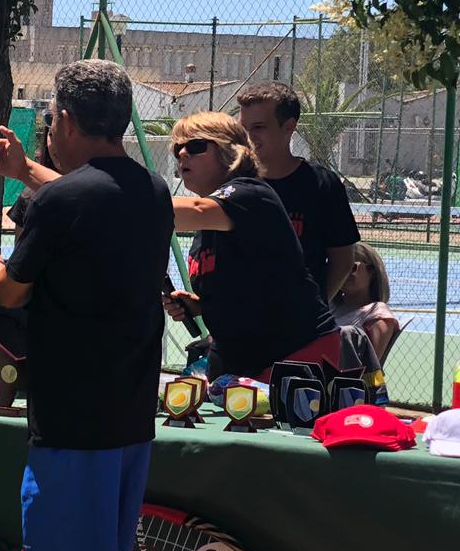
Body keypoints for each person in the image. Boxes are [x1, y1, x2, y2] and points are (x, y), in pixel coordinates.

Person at [0, 59, 174, 551]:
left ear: (64, 118)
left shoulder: (60, 203)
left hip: (71, 409)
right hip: (129, 405)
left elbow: (10, 290)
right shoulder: (152, 190)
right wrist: (26, 171)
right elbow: (87, 197)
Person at [162, 113, 340, 380]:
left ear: (229, 151)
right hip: (241, 361)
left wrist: (118, 195)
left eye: (196, 145)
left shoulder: (250, 194)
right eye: (178, 149)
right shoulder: (209, 226)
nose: (183, 154)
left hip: (295, 353)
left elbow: (192, 209)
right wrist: (200, 305)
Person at [238, 81, 360, 301]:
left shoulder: (323, 185)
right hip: (242, 317)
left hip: (301, 320)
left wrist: (314, 307)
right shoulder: (233, 183)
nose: (248, 136)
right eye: (243, 128)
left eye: (259, 127)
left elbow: (343, 260)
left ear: (289, 127)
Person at [333, 241, 401, 364]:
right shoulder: (330, 305)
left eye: (352, 267)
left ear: (372, 272)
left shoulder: (378, 314)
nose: (344, 272)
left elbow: (368, 365)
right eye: (339, 267)